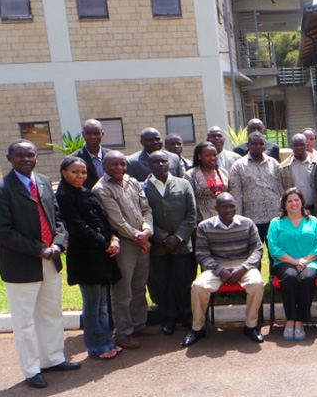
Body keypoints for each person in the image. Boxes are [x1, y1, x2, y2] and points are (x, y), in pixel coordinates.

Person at [0, 140, 79, 388]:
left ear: (36, 157)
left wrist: (59, 244)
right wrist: (38, 250)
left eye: (30, 155)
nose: (26, 159)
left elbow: (57, 220)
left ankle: (53, 358)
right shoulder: (3, 188)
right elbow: (3, 231)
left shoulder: (43, 182)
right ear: (9, 157)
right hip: (22, 264)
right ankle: (32, 369)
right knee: (25, 323)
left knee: (51, 314)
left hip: (50, 260)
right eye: (20, 155)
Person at [56, 157, 122, 359]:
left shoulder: (86, 192)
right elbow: (77, 226)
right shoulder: (64, 196)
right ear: (64, 173)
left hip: (102, 255)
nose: (80, 176)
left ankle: (106, 341)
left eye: (83, 172)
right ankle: (96, 346)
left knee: (103, 303)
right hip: (86, 257)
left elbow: (103, 218)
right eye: (75, 172)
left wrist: (113, 238)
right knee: (93, 305)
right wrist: (105, 243)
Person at [183, 193, 265, 346]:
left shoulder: (247, 223)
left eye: (231, 206)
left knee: (257, 283)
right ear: (216, 208)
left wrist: (243, 268)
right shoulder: (205, 226)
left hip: (242, 266)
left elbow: (257, 250)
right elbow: (201, 254)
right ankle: (197, 328)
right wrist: (220, 270)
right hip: (217, 267)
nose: (228, 209)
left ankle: (251, 326)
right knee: (198, 287)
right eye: (224, 206)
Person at [94, 150, 153, 350]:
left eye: (122, 164)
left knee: (139, 286)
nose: (119, 168)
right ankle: (122, 333)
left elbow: (146, 209)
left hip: (141, 240)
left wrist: (147, 230)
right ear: (104, 165)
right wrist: (139, 238)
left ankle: (138, 325)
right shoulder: (101, 189)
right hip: (125, 244)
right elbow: (116, 221)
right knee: (122, 290)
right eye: (114, 165)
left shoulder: (132, 182)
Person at [144, 151, 197, 336]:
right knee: (162, 282)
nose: (160, 164)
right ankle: (168, 318)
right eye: (155, 162)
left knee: (183, 281)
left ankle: (187, 316)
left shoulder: (184, 184)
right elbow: (142, 215)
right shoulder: (142, 188)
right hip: (158, 245)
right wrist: (163, 238)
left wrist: (178, 237)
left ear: (169, 164)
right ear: (149, 165)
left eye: (163, 161)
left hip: (181, 244)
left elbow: (192, 214)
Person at [267, 188, 317, 341]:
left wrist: (304, 261)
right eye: (289, 201)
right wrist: (295, 262)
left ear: (302, 202)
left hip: (311, 262)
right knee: (291, 277)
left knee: (307, 278)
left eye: (296, 200)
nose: (293, 203)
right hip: (284, 262)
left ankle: (300, 321)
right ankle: (290, 319)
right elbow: (274, 248)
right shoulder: (276, 223)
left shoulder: (313, 221)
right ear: (284, 204)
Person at [229, 131, 283, 240]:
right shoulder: (238, 166)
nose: (258, 146)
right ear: (248, 145)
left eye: (261, 144)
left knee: (277, 253)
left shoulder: (273, 163)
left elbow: (281, 188)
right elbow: (236, 195)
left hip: (274, 216)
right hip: (252, 218)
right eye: (254, 144)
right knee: (254, 252)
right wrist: (238, 219)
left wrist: (283, 211)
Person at [185, 142, 229, 222]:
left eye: (215, 155)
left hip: (223, 219)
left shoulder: (223, 172)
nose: (212, 158)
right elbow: (189, 202)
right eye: (208, 155)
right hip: (202, 220)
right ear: (199, 157)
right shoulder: (191, 175)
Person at [279, 133, 317, 215]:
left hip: (315, 209)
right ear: (291, 146)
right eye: (296, 145)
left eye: (302, 145)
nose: (299, 147)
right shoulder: (284, 167)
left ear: (307, 145)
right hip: (293, 211)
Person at [71, 118, 109, 189]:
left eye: (96, 133)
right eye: (88, 133)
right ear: (83, 134)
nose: (92, 137)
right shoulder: (74, 160)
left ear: (102, 134)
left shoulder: (111, 156)